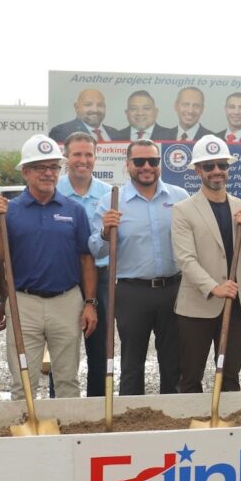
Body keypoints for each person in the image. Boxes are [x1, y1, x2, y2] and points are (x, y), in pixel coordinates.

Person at [0, 135, 98, 400]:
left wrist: (90, 302)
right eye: (40, 167)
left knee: (68, 381)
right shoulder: (10, 211)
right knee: (23, 383)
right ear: (25, 172)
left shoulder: (74, 210)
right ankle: (27, 427)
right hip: (24, 303)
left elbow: (86, 259)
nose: (48, 173)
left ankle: (67, 428)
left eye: (53, 167)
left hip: (67, 301)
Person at [91, 139, 190, 394]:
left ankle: (172, 413)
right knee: (132, 363)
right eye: (139, 161)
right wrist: (105, 232)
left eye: (153, 161)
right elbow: (96, 251)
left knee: (174, 362)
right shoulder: (111, 202)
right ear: (128, 165)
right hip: (131, 293)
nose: (147, 166)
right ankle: (131, 414)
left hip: (173, 290)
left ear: (159, 164)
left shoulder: (179, 197)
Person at [171, 135, 241, 393]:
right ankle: (194, 419)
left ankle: (229, 419)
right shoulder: (183, 210)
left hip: (235, 306)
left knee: (230, 376)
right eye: (209, 166)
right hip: (197, 307)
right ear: (198, 171)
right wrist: (214, 287)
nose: (217, 171)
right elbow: (185, 259)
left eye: (222, 165)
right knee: (191, 377)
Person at [57, 132, 112, 396]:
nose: (83, 160)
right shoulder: (53, 191)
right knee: (61, 349)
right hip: (64, 277)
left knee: (100, 350)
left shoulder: (109, 194)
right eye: (77, 154)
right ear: (66, 157)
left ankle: (98, 407)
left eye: (88, 154)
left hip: (101, 277)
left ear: (95, 157)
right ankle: (60, 407)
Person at [48, 88, 123, 142]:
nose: (95, 110)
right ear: (77, 107)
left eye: (100, 105)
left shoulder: (116, 134)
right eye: (88, 104)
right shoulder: (61, 132)